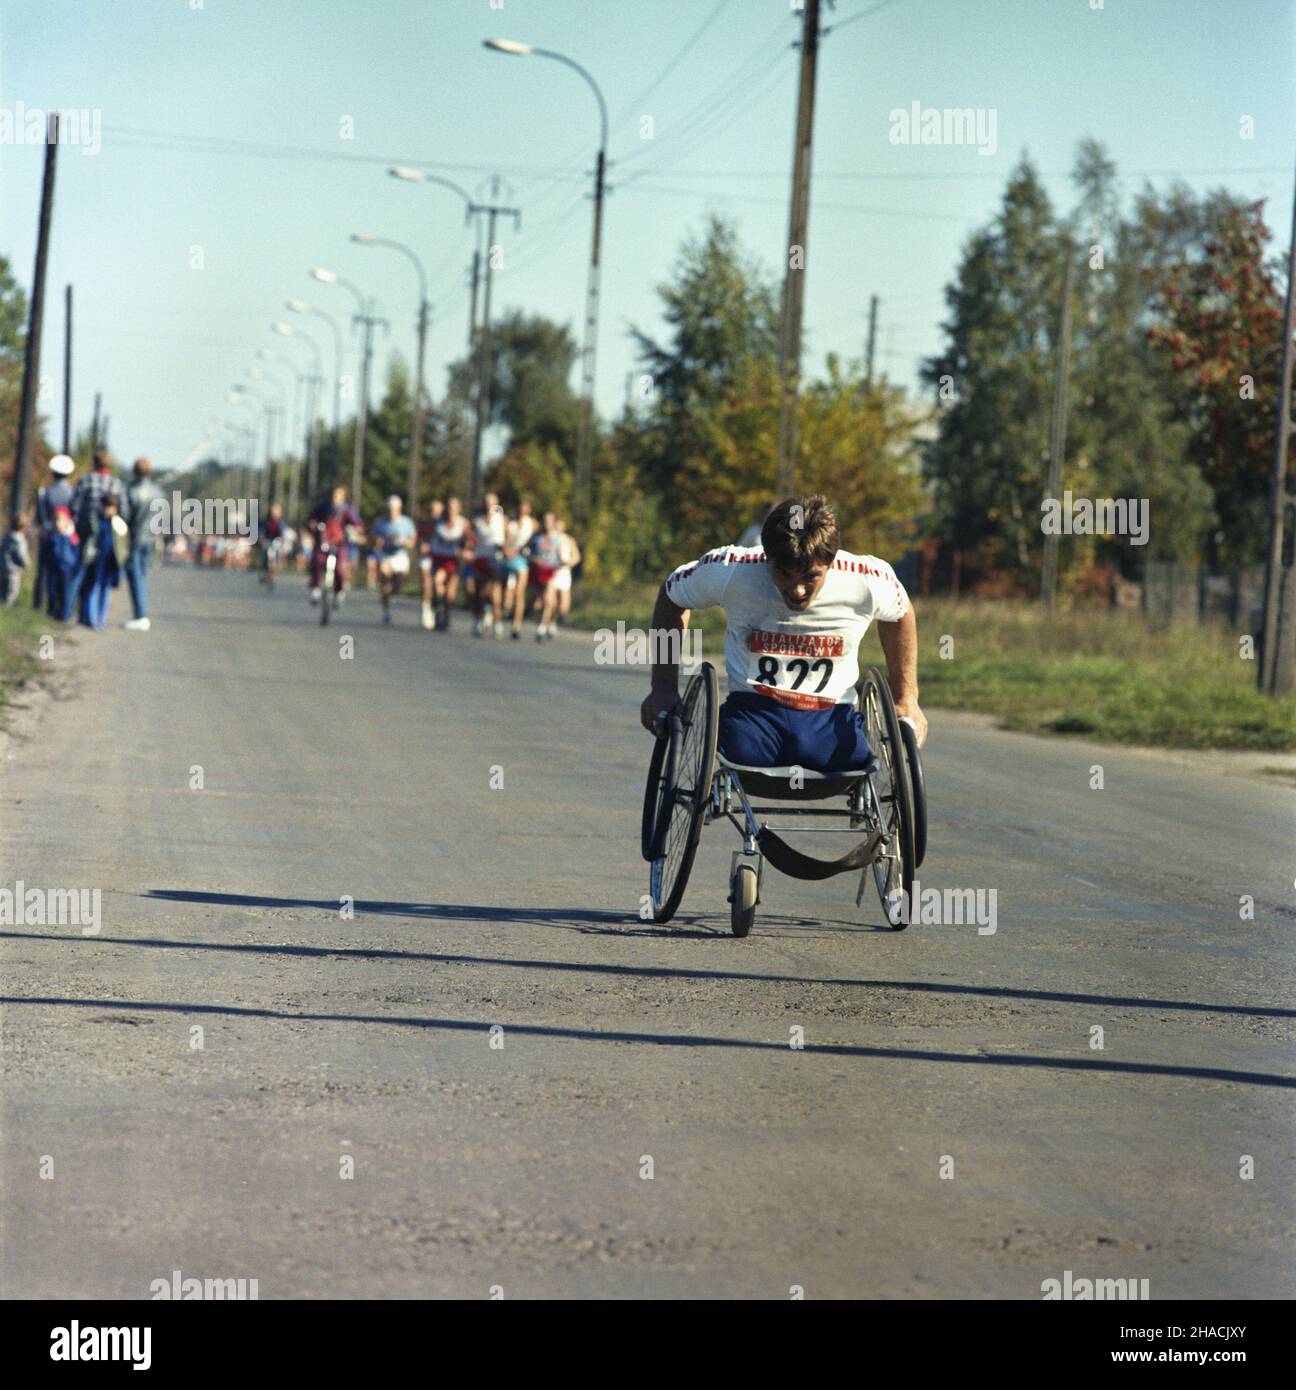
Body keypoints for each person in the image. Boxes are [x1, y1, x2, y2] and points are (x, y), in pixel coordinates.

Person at [639, 495, 928, 774]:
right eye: (783, 573)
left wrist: (907, 697)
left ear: (831, 562)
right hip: (751, 722)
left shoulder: (866, 579)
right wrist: (663, 686)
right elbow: (672, 595)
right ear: (767, 558)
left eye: (811, 576)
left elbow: (901, 613)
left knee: (855, 752)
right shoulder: (733, 570)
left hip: (832, 724)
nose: (797, 589)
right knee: (738, 740)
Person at [67, 450, 126, 615]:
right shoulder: (117, 485)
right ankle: (95, 614)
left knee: (79, 573)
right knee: (100, 578)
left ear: (94, 463)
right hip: (108, 538)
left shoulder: (85, 481)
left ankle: (69, 611)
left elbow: (74, 507)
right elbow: (125, 513)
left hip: (85, 534)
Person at [79, 493, 130, 631]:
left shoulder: (119, 524)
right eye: (106, 507)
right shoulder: (96, 521)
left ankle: (102, 618)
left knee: (106, 590)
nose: (108, 510)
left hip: (110, 562)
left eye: (111, 508)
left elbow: (123, 545)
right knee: (94, 587)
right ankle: (92, 618)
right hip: (97, 560)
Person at [306, 485, 364, 606]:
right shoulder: (323, 507)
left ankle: (339, 592)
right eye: (334, 495)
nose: (335, 498)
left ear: (343, 497)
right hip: (323, 542)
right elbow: (311, 518)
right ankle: (315, 589)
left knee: (340, 569)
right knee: (317, 561)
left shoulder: (347, 510)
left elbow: (358, 524)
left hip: (340, 545)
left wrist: (356, 530)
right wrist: (312, 525)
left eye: (338, 496)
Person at [123, 457, 162, 630]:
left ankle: (140, 616)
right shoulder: (157, 491)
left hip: (136, 537)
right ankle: (141, 614)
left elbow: (125, 515)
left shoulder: (131, 490)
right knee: (142, 576)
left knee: (135, 576)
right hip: (151, 538)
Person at [33, 454, 75, 612]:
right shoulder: (72, 493)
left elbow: (40, 517)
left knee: (44, 572)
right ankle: (62, 606)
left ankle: (40, 604)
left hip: (48, 536)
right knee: (63, 572)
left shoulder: (45, 492)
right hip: (66, 538)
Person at [370, 494, 416, 626]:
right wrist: (377, 542)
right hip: (386, 555)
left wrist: (405, 542)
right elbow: (373, 540)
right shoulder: (381, 523)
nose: (391, 512)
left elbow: (412, 541)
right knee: (384, 580)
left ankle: (391, 593)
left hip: (400, 556)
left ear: (399, 509)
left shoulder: (406, 523)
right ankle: (386, 612)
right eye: (389, 509)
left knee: (397, 586)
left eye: (394, 509)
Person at [469, 492, 507, 637]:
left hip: (496, 560)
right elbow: (469, 538)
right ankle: (478, 621)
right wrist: (468, 549)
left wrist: (505, 548)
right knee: (479, 593)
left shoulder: (502, 520)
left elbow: (508, 539)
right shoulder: (477, 520)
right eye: (486, 502)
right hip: (480, 558)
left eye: (491, 503)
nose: (488, 505)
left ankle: (497, 624)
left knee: (495, 595)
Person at [426, 495, 466, 631]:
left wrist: (465, 550)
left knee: (450, 594)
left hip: (453, 560)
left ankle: (445, 615)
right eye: (449, 506)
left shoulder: (463, 523)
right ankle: (438, 607)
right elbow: (428, 536)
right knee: (438, 582)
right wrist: (426, 546)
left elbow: (469, 541)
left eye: (454, 507)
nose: (451, 509)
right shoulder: (437, 522)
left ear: (459, 509)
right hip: (439, 557)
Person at [527, 510, 565, 641]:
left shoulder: (558, 537)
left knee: (548, 600)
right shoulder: (535, 536)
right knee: (535, 604)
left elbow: (561, 555)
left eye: (549, 520)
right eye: (544, 520)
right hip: (536, 571)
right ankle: (544, 621)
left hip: (551, 571)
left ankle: (542, 627)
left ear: (554, 522)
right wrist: (534, 559)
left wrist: (562, 562)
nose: (546, 523)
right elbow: (526, 551)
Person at [502, 498, 536, 639]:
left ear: (529, 510)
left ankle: (517, 625)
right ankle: (504, 611)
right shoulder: (510, 523)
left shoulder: (532, 524)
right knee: (507, 597)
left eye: (524, 508)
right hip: (509, 559)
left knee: (519, 593)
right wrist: (507, 550)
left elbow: (537, 541)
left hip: (523, 560)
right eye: (520, 508)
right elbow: (506, 540)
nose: (522, 511)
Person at [48, 506, 81, 622]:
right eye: (56, 520)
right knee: (53, 590)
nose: (57, 524)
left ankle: (64, 615)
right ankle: (51, 612)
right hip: (54, 567)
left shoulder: (72, 537)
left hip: (67, 569)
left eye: (60, 521)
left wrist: (72, 564)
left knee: (66, 592)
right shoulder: (52, 535)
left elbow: (76, 555)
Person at [417, 499, 445, 630]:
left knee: (438, 586)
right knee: (427, 583)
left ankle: (437, 610)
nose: (435, 514)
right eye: (433, 511)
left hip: (441, 558)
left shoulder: (445, 525)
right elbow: (420, 541)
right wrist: (423, 546)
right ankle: (426, 610)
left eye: (438, 512)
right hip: (427, 558)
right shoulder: (425, 525)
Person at [550, 517, 582, 628]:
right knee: (551, 600)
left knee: (563, 601)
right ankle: (551, 622)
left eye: (560, 525)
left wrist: (568, 563)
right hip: (552, 572)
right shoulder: (550, 538)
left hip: (564, 572)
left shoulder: (568, 540)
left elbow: (577, 557)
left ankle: (561, 616)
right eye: (556, 525)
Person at [1, 512, 31, 605]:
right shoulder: (20, 540)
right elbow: (21, 554)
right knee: (12, 591)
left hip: (3, 567)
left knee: (2, 590)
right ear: (24, 528)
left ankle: (2, 604)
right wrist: (26, 563)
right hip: (14, 570)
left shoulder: (6, 537)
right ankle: (8, 606)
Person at [258, 501, 286, 586]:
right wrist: (261, 538)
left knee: (276, 557)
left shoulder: (281, 522)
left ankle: (273, 573)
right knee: (265, 554)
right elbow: (262, 531)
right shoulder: (267, 521)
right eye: (274, 511)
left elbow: (282, 533)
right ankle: (264, 571)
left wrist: (282, 540)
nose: (275, 513)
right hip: (267, 540)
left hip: (276, 541)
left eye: (277, 511)